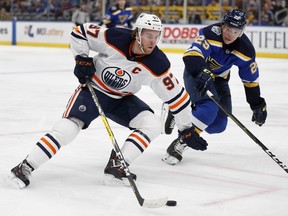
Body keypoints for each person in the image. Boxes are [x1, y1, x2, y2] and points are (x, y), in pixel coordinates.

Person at [9, 13, 207, 189]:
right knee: (68, 129)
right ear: (137, 33)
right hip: (93, 91)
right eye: (148, 35)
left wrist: (186, 129)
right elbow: (81, 32)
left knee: (152, 124)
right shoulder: (115, 37)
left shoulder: (157, 63)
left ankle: (117, 166)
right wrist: (81, 58)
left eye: (156, 36)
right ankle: (25, 167)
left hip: (121, 99)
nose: (153, 41)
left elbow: (177, 98)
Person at [162, 9, 267, 165]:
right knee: (208, 108)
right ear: (223, 25)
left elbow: (250, 80)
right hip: (196, 73)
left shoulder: (246, 50)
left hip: (219, 81)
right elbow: (191, 55)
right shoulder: (210, 33)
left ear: (241, 32)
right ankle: (181, 143)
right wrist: (201, 71)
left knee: (217, 125)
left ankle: (178, 109)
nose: (229, 34)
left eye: (235, 31)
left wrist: (257, 103)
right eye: (228, 28)